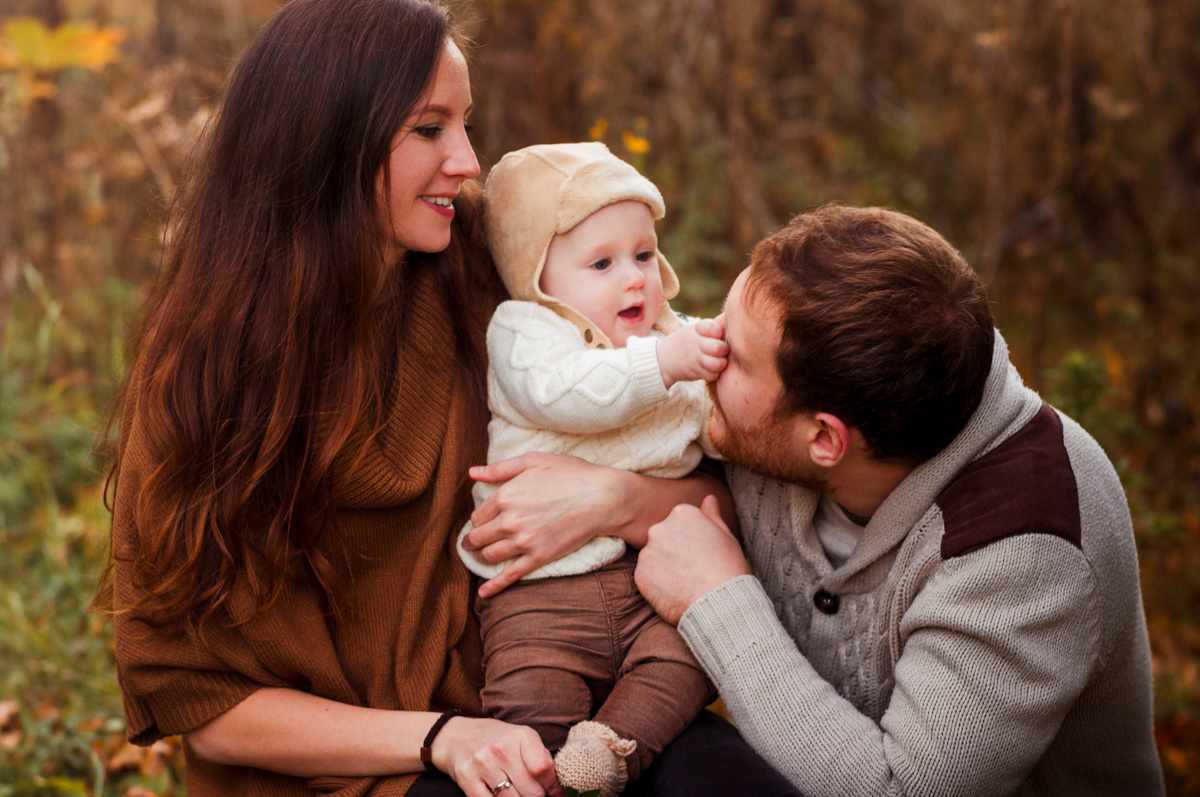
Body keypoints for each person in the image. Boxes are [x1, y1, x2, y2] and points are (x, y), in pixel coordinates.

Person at [97, 2, 799, 796]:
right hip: (376, 768)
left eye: (465, 124)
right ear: (328, 145)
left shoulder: (495, 268)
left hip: (577, 700)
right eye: (429, 130)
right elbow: (202, 698)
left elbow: (703, 478)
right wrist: (442, 737)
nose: (467, 161)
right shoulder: (202, 371)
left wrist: (616, 498)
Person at [634, 204, 1166, 796]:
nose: (701, 351)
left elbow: (900, 788)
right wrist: (615, 498)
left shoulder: (1031, 546)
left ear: (825, 439)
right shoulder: (822, 400)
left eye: (730, 349)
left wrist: (716, 600)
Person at [456, 142, 726, 797]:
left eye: (643, 254)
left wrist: (719, 380)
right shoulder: (525, 332)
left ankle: (603, 756)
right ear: (537, 277)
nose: (633, 277)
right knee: (528, 701)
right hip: (541, 595)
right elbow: (566, 391)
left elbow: (710, 420)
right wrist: (666, 362)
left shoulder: (668, 334)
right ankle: (543, 776)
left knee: (694, 657)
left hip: (648, 581)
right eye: (601, 262)